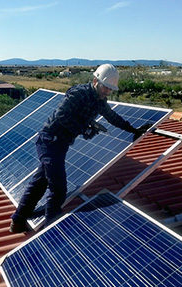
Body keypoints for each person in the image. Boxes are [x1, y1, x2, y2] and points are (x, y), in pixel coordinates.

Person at [10, 64, 148, 233]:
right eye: (106, 87)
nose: (107, 92)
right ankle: (50, 230)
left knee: (40, 182)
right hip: (50, 140)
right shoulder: (78, 93)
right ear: (95, 80)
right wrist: (84, 127)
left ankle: (17, 221)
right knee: (59, 189)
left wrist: (133, 129)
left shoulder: (100, 101)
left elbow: (113, 117)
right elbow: (61, 115)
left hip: (60, 145)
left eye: (110, 89)